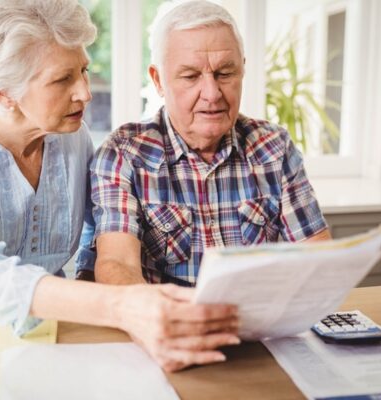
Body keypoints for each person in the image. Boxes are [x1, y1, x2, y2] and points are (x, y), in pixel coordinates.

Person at [0, 0, 240, 372]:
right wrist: (121, 305)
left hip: (26, 343)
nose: (85, 92)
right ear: (4, 92)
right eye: (62, 79)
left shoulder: (72, 137)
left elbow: (96, 233)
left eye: (83, 70)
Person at [91, 0, 332, 287]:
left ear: (242, 70)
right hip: (172, 324)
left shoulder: (274, 147)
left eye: (225, 73)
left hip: (258, 323)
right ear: (158, 80)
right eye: (191, 76)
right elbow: (117, 265)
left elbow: (317, 256)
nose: (212, 93)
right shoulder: (124, 154)